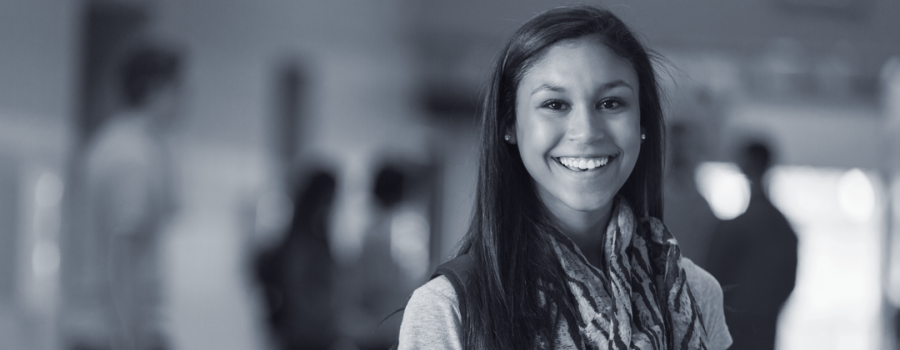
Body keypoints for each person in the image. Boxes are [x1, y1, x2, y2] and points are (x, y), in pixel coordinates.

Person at [398, 5, 731, 350]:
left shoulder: (694, 292)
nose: (586, 132)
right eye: (555, 104)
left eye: (611, 103)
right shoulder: (450, 308)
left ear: (642, 123)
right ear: (509, 124)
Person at [63, 43, 181, 350]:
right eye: (178, 90)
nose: (183, 102)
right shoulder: (133, 157)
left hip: (101, 327)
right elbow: (123, 249)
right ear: (156, 89)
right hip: (112, 331)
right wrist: (133, 339)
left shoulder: (109, 143)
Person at [706, 140, 798, 350]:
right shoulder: (782, 227)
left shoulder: (735, 228)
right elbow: (788, 283)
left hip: (734, 328)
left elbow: (712, 276)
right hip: (764, 326)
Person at [254, 170, 339, 350]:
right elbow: (299, 291)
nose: (332, 206)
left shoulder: (314, 236)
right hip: (304, 333)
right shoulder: (302, 241)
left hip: (313, 332)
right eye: (329, 199)